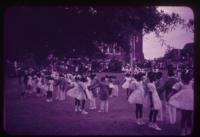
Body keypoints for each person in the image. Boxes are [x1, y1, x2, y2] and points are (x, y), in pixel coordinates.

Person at [169, 70, 194, 136]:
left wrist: (170, 95)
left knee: (188, 116)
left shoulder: (191, 82)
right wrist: (170, 95)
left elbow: (174, 90)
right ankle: (184, 130)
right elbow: (174, 90)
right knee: (185, 116)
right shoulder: (180, 83)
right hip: (184, 100)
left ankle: (188, 130)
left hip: (190, 100)